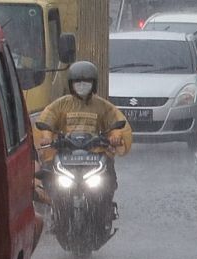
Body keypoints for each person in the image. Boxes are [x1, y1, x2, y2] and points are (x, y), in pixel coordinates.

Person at [38, 60, 132, 221]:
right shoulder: (61, 105)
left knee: (108, 179)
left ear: (93, 84)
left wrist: (116, 136)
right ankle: (55, 210)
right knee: (48, 177)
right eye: (78, 82)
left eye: (86, 82)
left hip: (96, 153)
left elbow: (116, 121)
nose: (82, 85)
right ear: (71, 84)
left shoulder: (102, 106)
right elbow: (47, 119)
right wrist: (46, 136)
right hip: (66, 153)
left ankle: (105, 210)